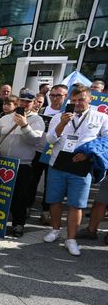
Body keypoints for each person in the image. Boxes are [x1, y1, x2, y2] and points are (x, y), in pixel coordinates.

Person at [43, 85, 108, 256]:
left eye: (81, 100)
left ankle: (71, 239)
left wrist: (88, 154)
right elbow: (50, 139)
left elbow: (105, 141)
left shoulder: (101, 117)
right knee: (54, 200)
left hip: (82, 165)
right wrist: (62, 124)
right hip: (58, 162)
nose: (77, 103)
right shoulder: (59, 117)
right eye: (74, 100)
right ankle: (55, 230)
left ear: (90, 99)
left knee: (76, 204)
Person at [0, 90, 45, 237]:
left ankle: (18, 224)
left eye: (28, 101)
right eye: (22, 101)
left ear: (34, 103)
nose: (24, 104)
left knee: (20, 197)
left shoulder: (37, 120)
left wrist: (24, 125)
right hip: (2, 162)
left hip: (23, 164)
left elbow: (35, 140)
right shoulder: (5, 118)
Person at [31, 84, 68, 224]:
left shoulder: (67, 113)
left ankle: (45, 210)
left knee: (50, 183)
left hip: (56, 154)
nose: (54, 98)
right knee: (32, 180)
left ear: (66, 96)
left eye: (58, 95)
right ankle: (28, 205)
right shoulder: (42, 109)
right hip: (39, 151)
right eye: (52, 95)